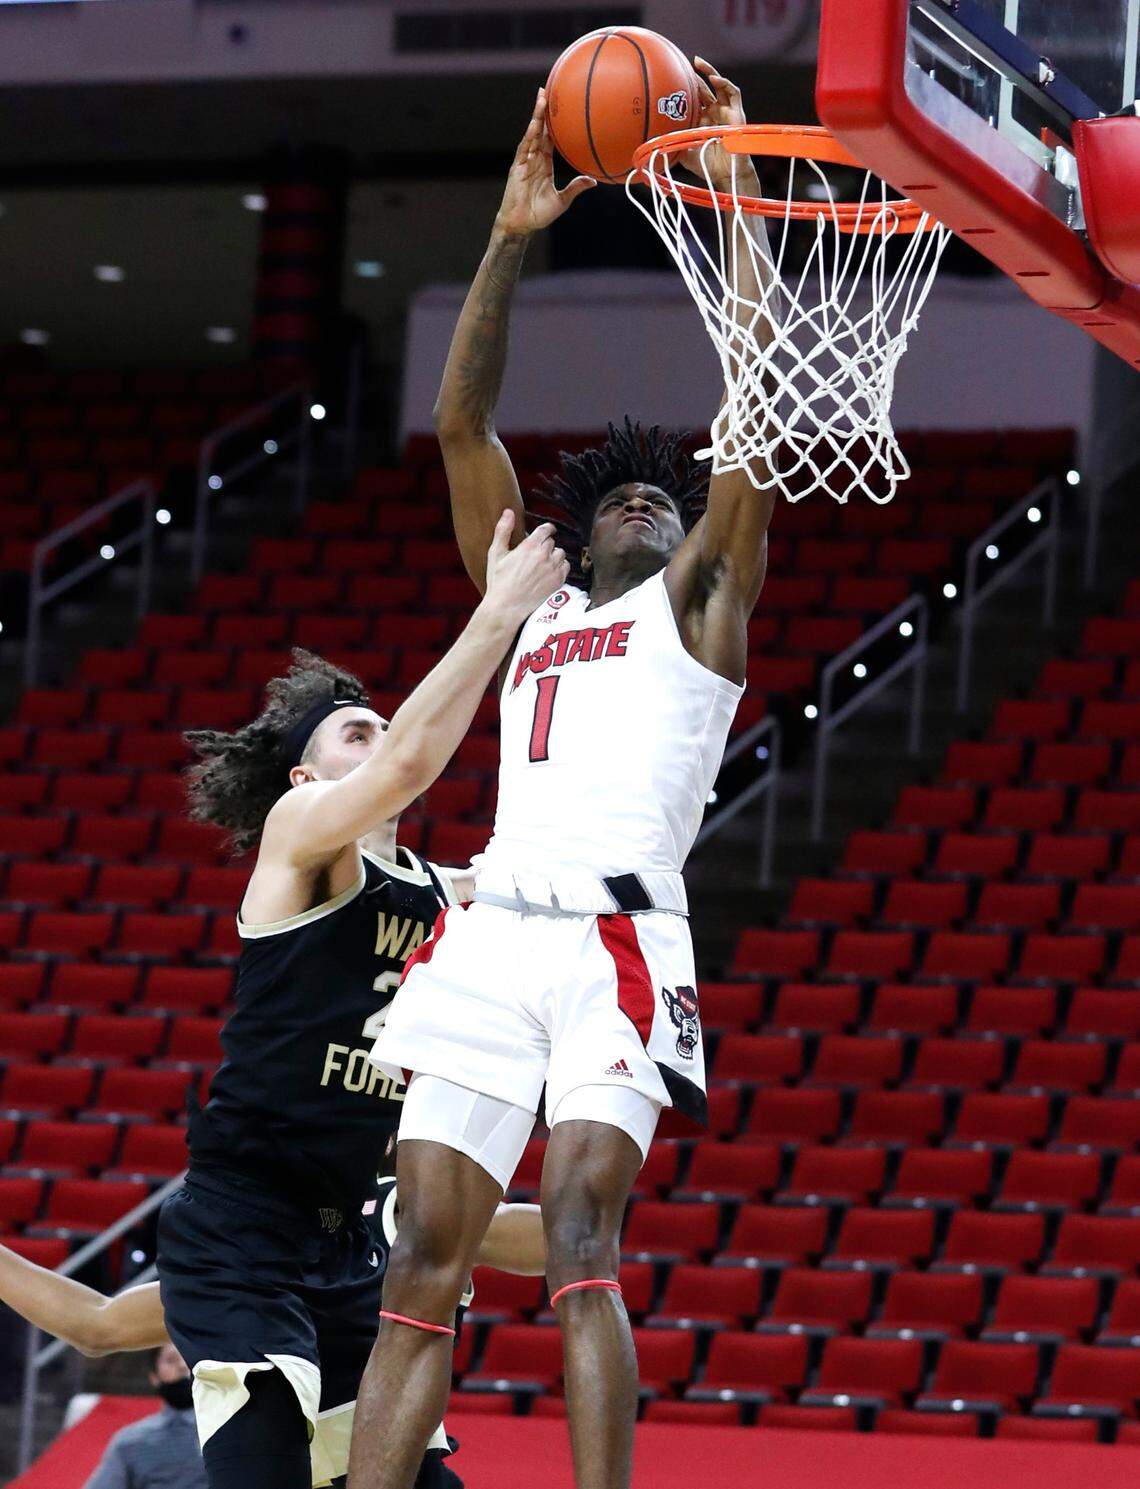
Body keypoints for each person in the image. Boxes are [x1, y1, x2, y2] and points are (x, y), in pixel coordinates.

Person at [350, 60, 776, 1489]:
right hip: (488, 937)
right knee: (421, 1253)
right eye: (626, 496)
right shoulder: (528, 598)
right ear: (587, 528)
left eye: (669, 494)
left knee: (583, 1238)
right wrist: (507, 235)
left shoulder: (699, 603)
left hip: (615, 939)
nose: (651, 503)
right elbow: (465, 430)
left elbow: (761, 418)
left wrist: (736, 201)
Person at [155, 512, 567, 1489]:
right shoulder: (298, 833)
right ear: (306, 774)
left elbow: (542, 883)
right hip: (242, 1223)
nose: (383, 739)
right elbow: (411, 764)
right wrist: (499, 610)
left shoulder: (438, 885)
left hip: (345, 1235)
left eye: (384, 724)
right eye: (358, 731)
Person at [0, 1171, 545, 1489]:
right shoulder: (234, 1257)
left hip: (403, 1470)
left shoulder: (393, 1207)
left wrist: (464, 1223)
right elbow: (96, 1325)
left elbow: (559, 1243)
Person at [81, 1343, 205, 1489]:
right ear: (154, 1377)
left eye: (190, 1359)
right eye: (171, 1360)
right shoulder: (131, 1442)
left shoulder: (230, 1431)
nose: (183, 1366)